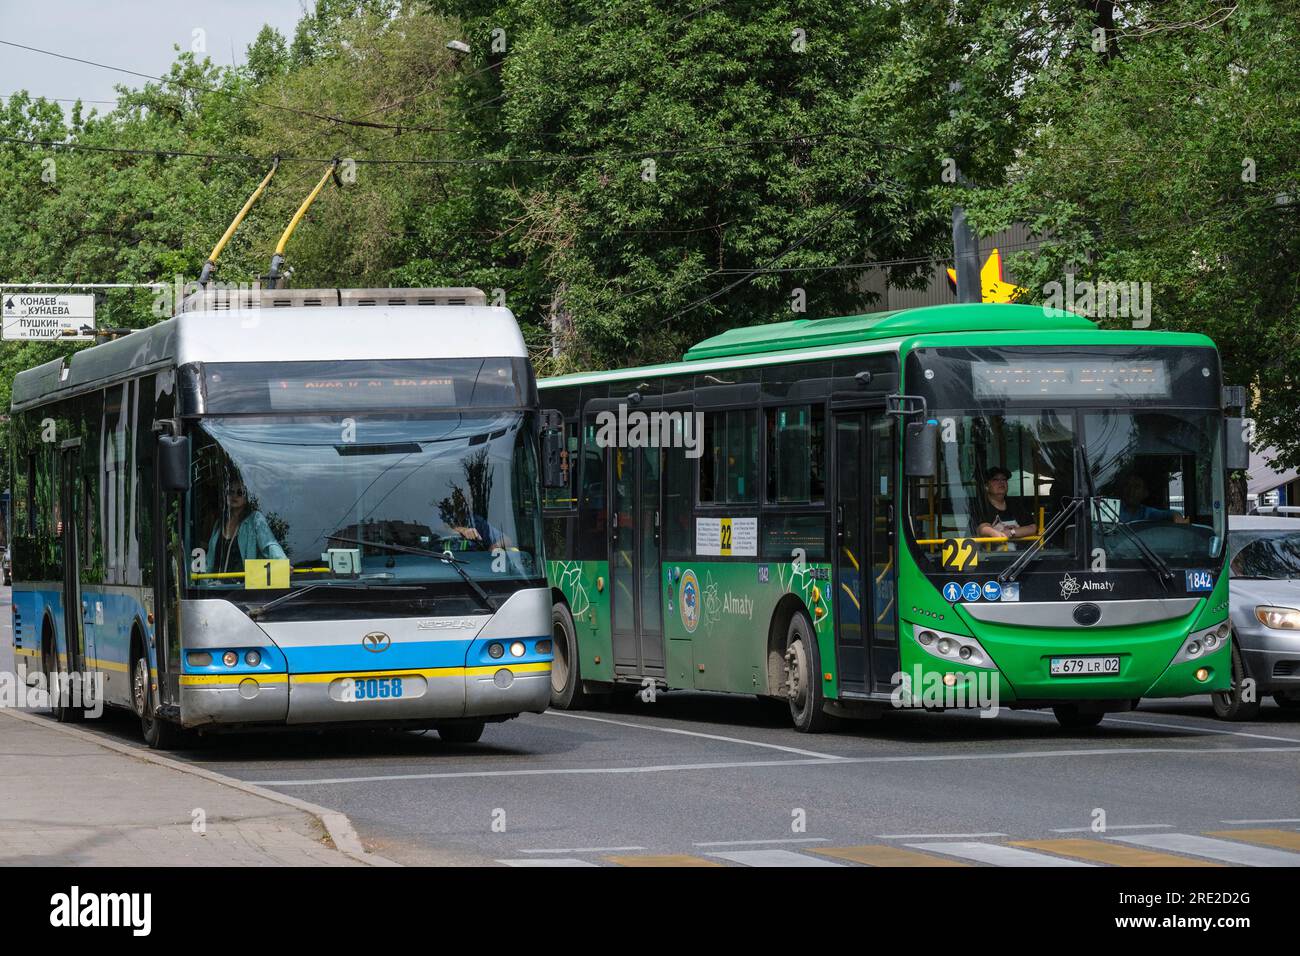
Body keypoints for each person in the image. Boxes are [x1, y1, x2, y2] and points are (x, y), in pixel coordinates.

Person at [206, 477, 286, 574]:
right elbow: (209, 560)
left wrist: (282, 563)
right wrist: (204, 583)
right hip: (217, 587)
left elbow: (269, 544)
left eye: (240, 492)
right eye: (231, 492)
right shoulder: (219, 523)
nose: (234, 495)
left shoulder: (255, 519)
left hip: (243, 587)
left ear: (246, 498)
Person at [972, 466, 1039, 542]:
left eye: (1004, 479)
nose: (1001, 482)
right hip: (991, 553)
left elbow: (1032, 528)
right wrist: (995, 533)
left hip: (1021, 552)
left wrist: (1011, 532)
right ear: (986, 486)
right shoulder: (982, 506)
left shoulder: (1015, 504)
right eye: (995, 480)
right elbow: (983, 528)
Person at [1118, 473, 1189, 524]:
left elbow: (1167, 514)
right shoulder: (1113, 509)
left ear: (1145, 493)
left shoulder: (1147, 513)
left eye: (1136, 487)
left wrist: (1176, 516)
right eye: (1127, 485)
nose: (1131, 490)